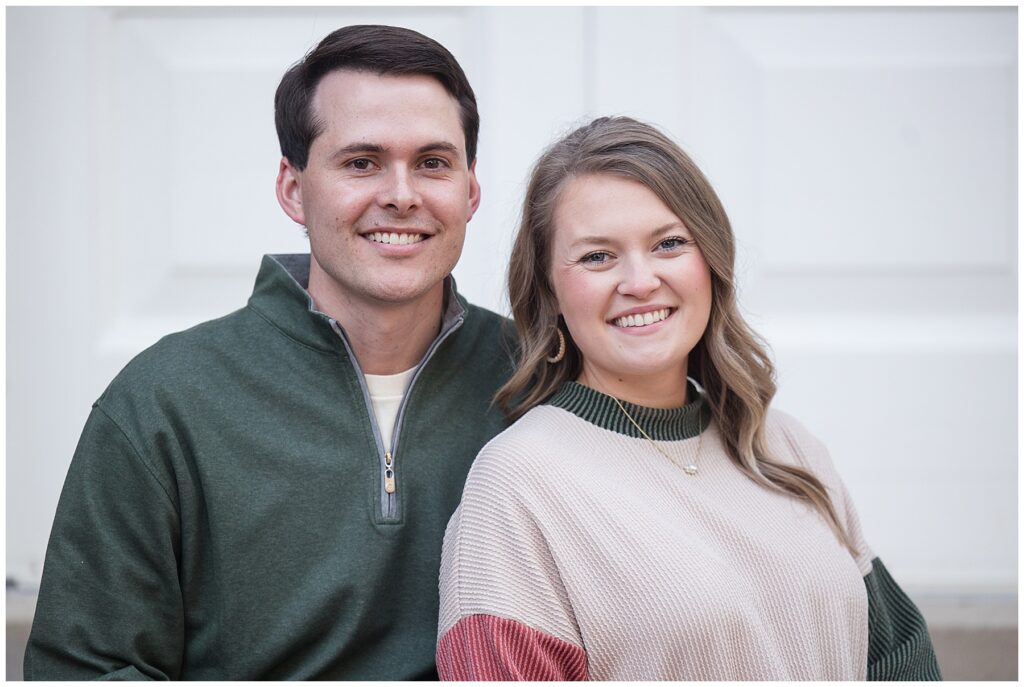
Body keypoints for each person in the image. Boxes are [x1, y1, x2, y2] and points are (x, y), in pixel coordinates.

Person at [25, 24, 514, 680]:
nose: (402, 193)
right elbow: (84, 669)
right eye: (361, 161)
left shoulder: (534, 375)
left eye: (433, 162)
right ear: (292, 189)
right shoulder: (163, 403)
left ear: (471, 191)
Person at [435, 117, 942, 681]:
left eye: (669, 244)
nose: (641, 280)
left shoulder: (783, 444)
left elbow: (901, 656)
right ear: (550, 292)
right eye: (598, 256)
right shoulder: (518, 484)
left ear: (710, 261)